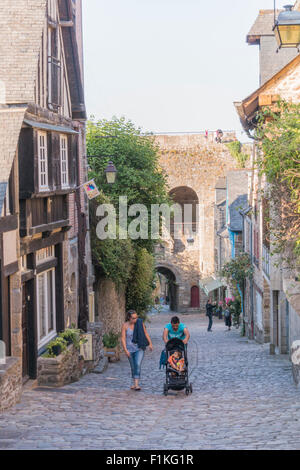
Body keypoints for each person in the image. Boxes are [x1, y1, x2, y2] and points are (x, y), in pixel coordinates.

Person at [121, 310, 153, 391]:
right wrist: (125, 350)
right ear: (129, 318)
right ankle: (134, 383)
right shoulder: (125, 325)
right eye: (133, 318)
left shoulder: (139, 323)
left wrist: (150, 343)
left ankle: (136, 384)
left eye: (136, 317)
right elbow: (123, 338)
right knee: (133, 366)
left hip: (139, 348)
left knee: (137, 364)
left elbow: (145, 333)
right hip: (129, 349)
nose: (135, 319)